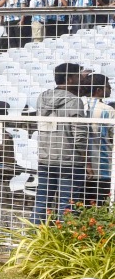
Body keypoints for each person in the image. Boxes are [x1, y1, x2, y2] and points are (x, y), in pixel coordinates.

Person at [34, 62, 89, 223]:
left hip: (45, 158)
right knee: (67, 205)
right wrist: (84, 156)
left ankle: (32, 236)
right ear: (70, 79)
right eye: (79, 77)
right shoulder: (74, 101)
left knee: (41, 202)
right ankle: (65, 238)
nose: (81, 80)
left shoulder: (42, 98)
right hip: (69, 160)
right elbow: (79, 133)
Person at [84, 73, 113, 208]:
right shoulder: (108, 111)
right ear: (99, 90)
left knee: (81, 205)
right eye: (108, 86)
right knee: (101, 206)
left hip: (80, 167)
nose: (110, 88)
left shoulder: (79, 106)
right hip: (102, 167)